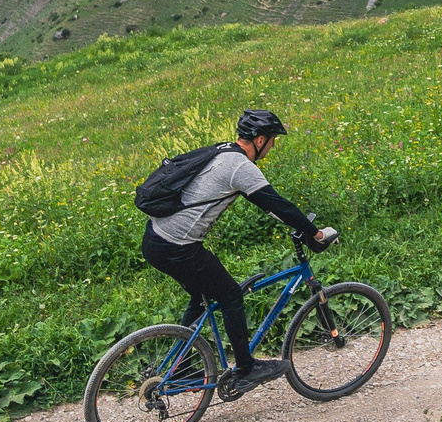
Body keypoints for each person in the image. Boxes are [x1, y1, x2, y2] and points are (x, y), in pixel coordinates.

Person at [141, 107, 337, 398]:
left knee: (202, 296)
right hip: (177, 246)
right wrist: (315, 234)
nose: (272, 147)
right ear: (259, 140)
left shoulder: (223, 153)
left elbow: (271, 208)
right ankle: (246, 369)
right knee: (230, 295)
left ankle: (180, 367)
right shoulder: (240, 167)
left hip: (155, 239)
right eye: (272, 140)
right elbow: (277, 206)